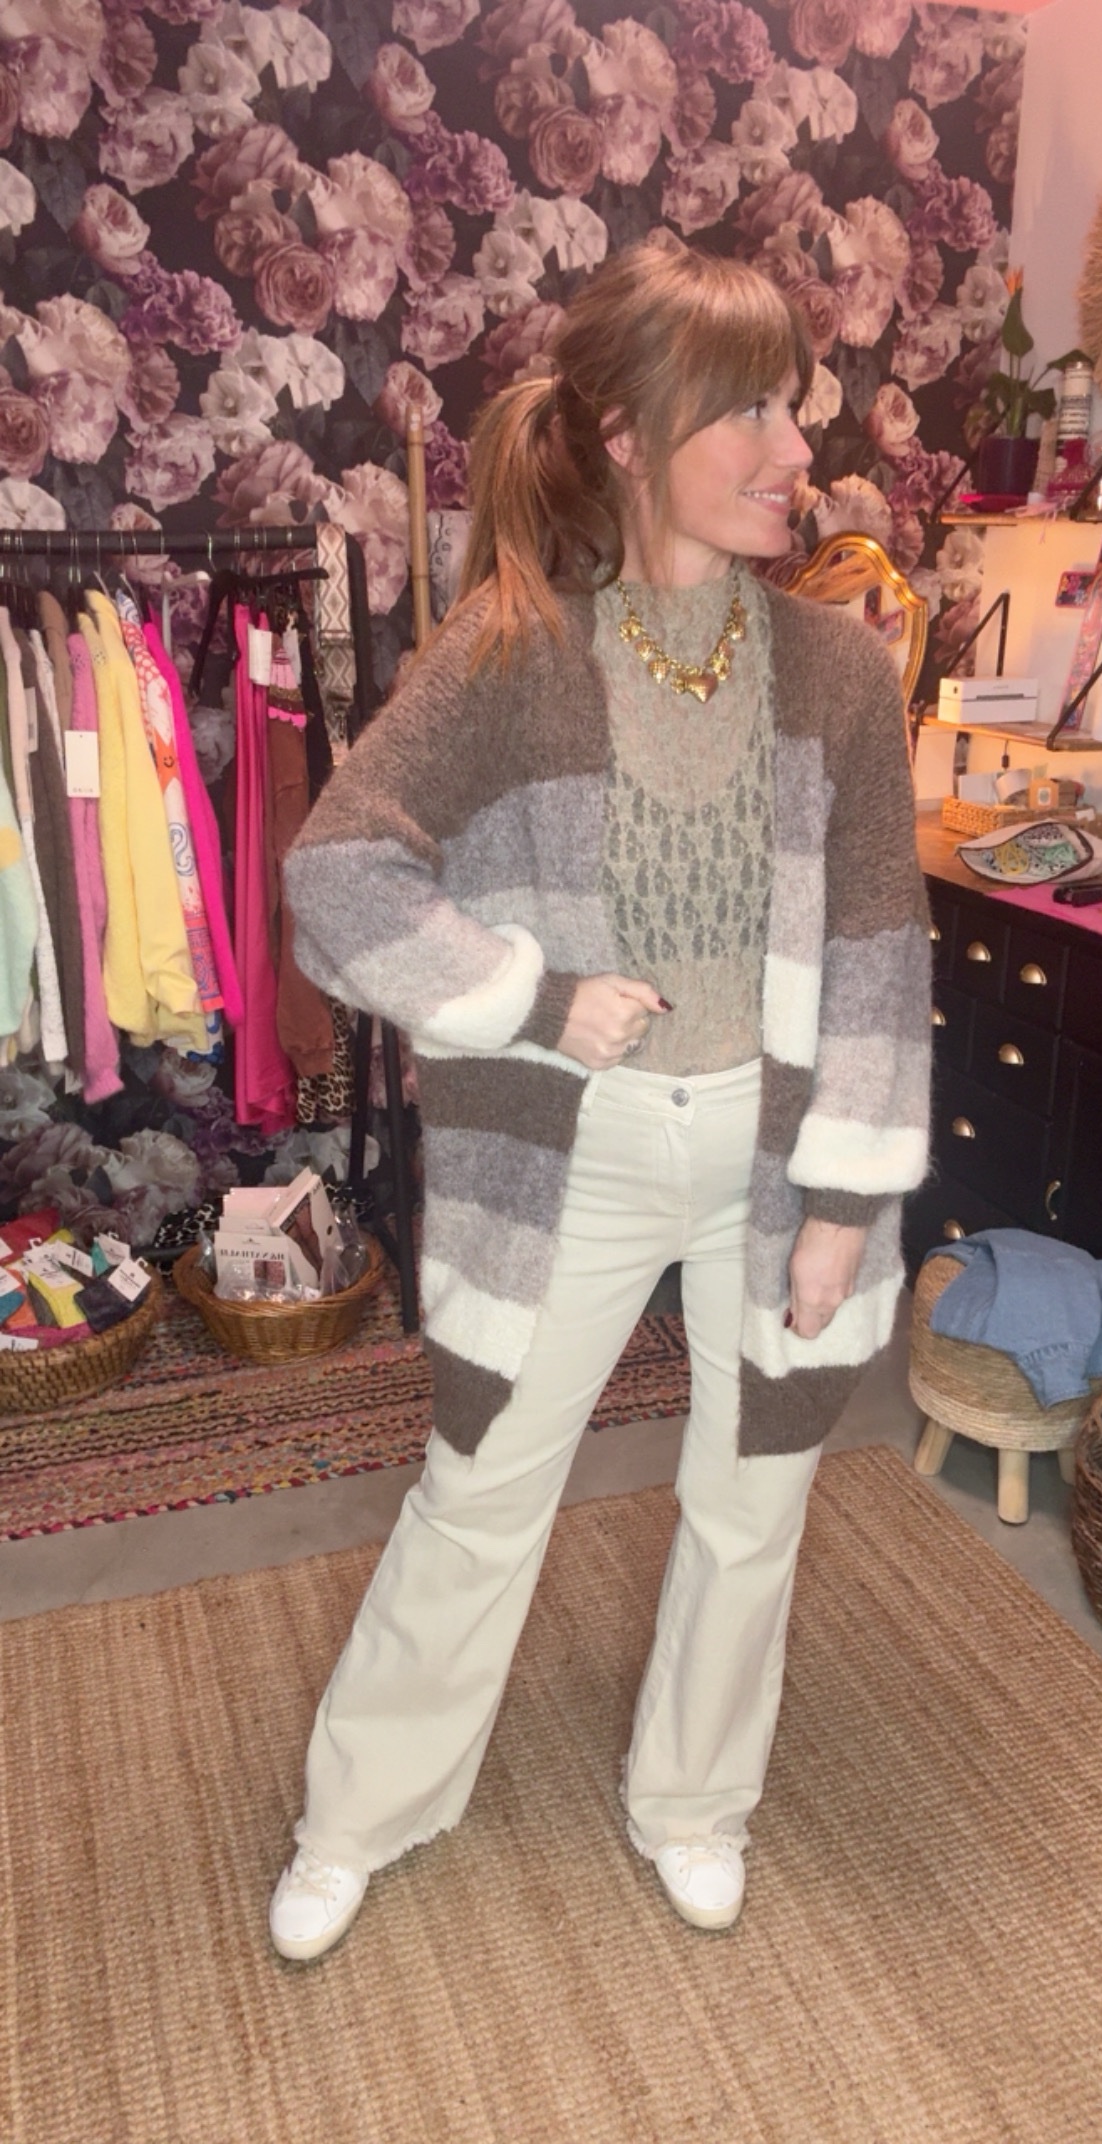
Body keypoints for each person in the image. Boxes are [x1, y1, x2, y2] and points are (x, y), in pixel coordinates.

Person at [271, 237, 932, 1961]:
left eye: (794, 407)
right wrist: (534, 999)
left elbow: (879, 940)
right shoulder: (511, 657)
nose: (796, 449)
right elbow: (336, 872)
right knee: (480, 1490)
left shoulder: (839, 672)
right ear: (630, 436)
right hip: (572, 1150)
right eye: (748, 413)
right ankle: (361, 1813)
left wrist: (846, 1200)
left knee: (754, 1501)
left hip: (777, 1155)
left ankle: (694, 1802)